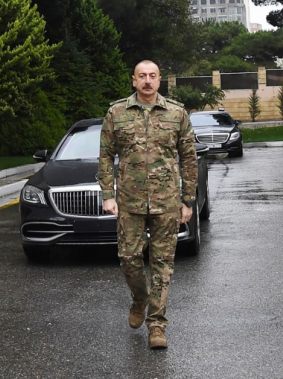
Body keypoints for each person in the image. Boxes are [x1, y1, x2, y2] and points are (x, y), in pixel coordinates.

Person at [98, 60, 197, 350]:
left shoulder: (177, 113)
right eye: (142, 76)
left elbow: (189, 159)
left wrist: (187, 199)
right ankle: (140, 299)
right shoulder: (116, 112)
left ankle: (157, 325)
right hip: (129, 202)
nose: (147, 81)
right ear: (133, 80)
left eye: (152, 76)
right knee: (129, 259)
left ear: (160, 80)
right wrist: (108, 194)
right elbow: (105, 156)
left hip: (167, 201)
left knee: (163, 265)